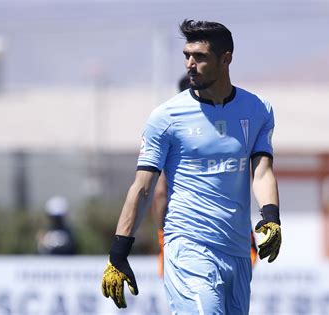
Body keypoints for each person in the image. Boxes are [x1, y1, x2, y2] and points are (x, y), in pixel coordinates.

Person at [101, 19, 282, 314]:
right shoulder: (166, 117)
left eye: (199, 57)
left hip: (237, 250)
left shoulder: (258, 109)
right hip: (188, 245)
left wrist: (271, 216)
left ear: (226, 59)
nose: (189, 64)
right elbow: (143, 187)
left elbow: (261, 171)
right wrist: (118, 252)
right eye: (186, 55)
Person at [152, 75, 259, 277]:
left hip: (187, 235)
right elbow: (257, 176)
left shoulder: (173, 129)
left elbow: (159, 193)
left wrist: (161, 235)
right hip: (235, 234)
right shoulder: (234, 128)